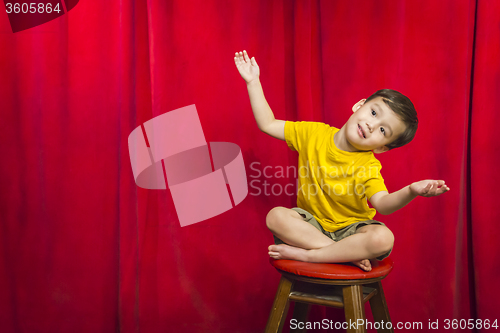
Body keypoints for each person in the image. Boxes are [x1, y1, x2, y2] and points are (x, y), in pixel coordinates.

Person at [234, 50, 450, 271]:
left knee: (383, 238)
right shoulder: (313, 133)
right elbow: (268, 124)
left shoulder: (368, 166)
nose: (371, 125)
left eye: (383, 130)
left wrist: (411, 190)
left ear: (381, 148)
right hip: (311, 226)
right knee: (275, 216)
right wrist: (253, 82)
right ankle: (341, 254)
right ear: (359, 105)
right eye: (374, 113)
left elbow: (383, 205)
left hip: (352, 231)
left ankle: (310, 256)